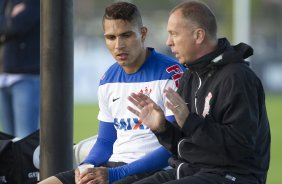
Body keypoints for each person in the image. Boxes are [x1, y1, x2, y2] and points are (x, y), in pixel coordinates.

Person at [38, 2, 185, 184]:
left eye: (126, 35)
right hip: (112, 167)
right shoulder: (108, 79)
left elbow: (174, 146)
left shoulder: (171, 74)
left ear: (143, 33)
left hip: (152, 171)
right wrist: (87, 166)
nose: (118, 45)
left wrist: (115, 174)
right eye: (111, 37)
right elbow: (106, 140)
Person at [128, 1, 271, 184]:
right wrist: (162, 128)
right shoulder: (190, 76)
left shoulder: (237, 78)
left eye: (174, 34)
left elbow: (239, 148)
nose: (168, 42)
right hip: (194, 170)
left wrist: (190, 121)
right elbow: (186, 145)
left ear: (198, 35)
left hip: (234, 176)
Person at [0, 0, 40, 138]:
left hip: (26, 76)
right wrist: (9, 20)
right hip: (3, 75)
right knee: (8, 141)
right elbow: (10, 25)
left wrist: (8, 22)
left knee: (24, 139)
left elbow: (16, 26)